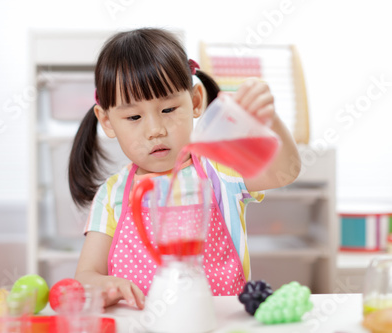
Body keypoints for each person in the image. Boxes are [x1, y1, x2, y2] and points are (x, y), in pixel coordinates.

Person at [68, 28, 301, 309]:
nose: (155, 130)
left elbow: (285, 171)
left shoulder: (220, 171)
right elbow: (85, 277)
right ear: (106, 121)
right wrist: (103, 284)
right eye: (133, 116)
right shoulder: (112, 194)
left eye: (168, 110)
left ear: (195, 101)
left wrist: (269, 119)